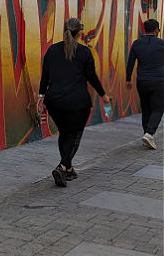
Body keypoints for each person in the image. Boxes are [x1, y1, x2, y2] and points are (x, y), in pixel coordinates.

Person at [37, 18, 111, 187]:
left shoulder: (52, 50)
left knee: (64, 133)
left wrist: (41, 96)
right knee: (71, 135)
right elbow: (91, 77)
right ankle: (62, 166)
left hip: (54, 101)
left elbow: (45, 76)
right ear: (79, 33)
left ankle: (69, 169)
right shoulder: (84, 52)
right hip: (77, 102)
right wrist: (103, 95)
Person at [126, 18, 164, 150]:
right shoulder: (162, 44)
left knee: (146, 108)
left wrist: (128, 79)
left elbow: (130, 62)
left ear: (144, 30)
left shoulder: (136, 44)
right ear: (156, 30)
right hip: (159, 80)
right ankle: (149, 133)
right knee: (158, 108)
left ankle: (146, 135)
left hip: (142, 81)